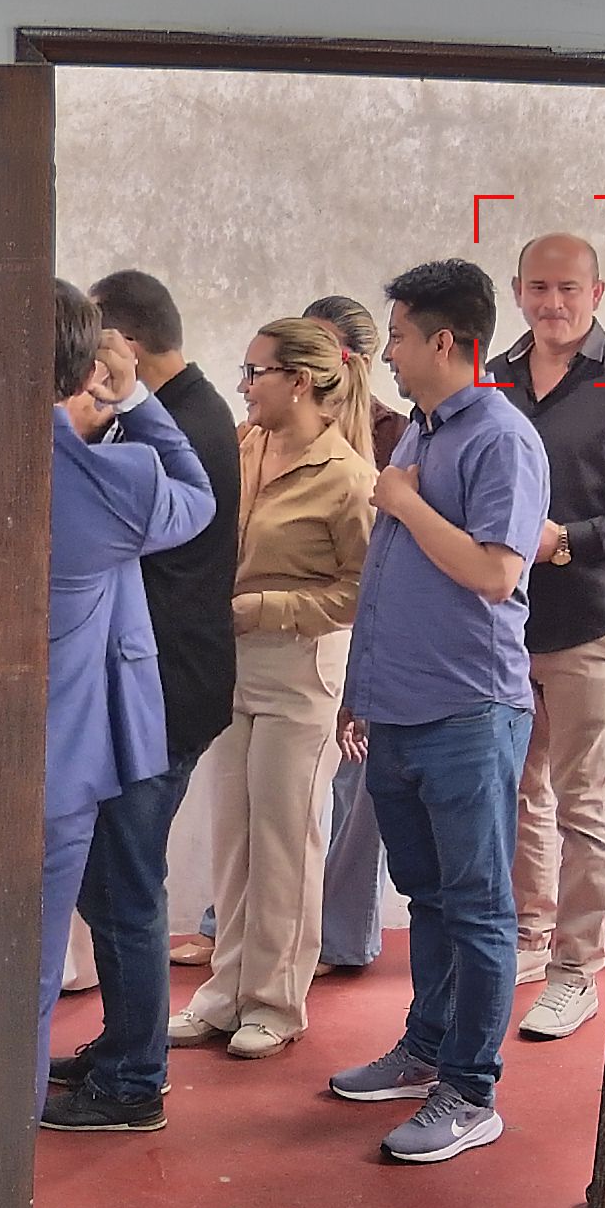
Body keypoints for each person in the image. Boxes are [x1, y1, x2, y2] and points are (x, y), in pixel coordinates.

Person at [327, 258, 549, 1165]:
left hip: (468, 711)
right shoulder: (421, 430)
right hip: (400, 707)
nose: (389, 355)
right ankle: (426, 1049)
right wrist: (361, 689)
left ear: (446, 342)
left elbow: (496, 573)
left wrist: (408, 503)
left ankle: (471, 1092)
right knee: (427, 897)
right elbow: (390, 577)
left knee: (480, 909)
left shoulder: (501, 439)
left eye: (401, 338)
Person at [40, 270, 242, 1120]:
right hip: (104, 716)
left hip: (148, 701)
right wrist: (130, 403)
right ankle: (126, 1054)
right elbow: (187, 500)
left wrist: (120, 407)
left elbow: (194, 506)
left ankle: (132, 1076)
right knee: (102, 898)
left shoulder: (184, 424)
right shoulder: (126, 457)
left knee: (122, 895)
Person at [167, 319, 373, 1060]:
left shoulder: (349, 477)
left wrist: (268, 607)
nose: (244, 385)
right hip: (231, 662)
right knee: (234, 836)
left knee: (286, 840)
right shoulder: (244, 445)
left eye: (256, 372)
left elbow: (360, 591)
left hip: (299, 668)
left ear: (301, 381)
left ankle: (276, 1001)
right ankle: (223, 993)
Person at [487, 234, 605, 1040]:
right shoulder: (494, 378)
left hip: (590, 621)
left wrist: (565, 542)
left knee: (587, 801)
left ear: (597, 293)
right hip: (501, 623)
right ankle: (530, 934)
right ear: (518, 290)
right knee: (518, 791)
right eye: (539, 287)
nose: (553, 303)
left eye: (569, 289)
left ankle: (576, 970)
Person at [303, 294, 408, 974]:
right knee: (289, 791)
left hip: (372, 624)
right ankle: (258, 927)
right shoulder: (288, 424)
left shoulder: (397, 435)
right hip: (303, 626)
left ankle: (341, 937)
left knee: (356, 785)